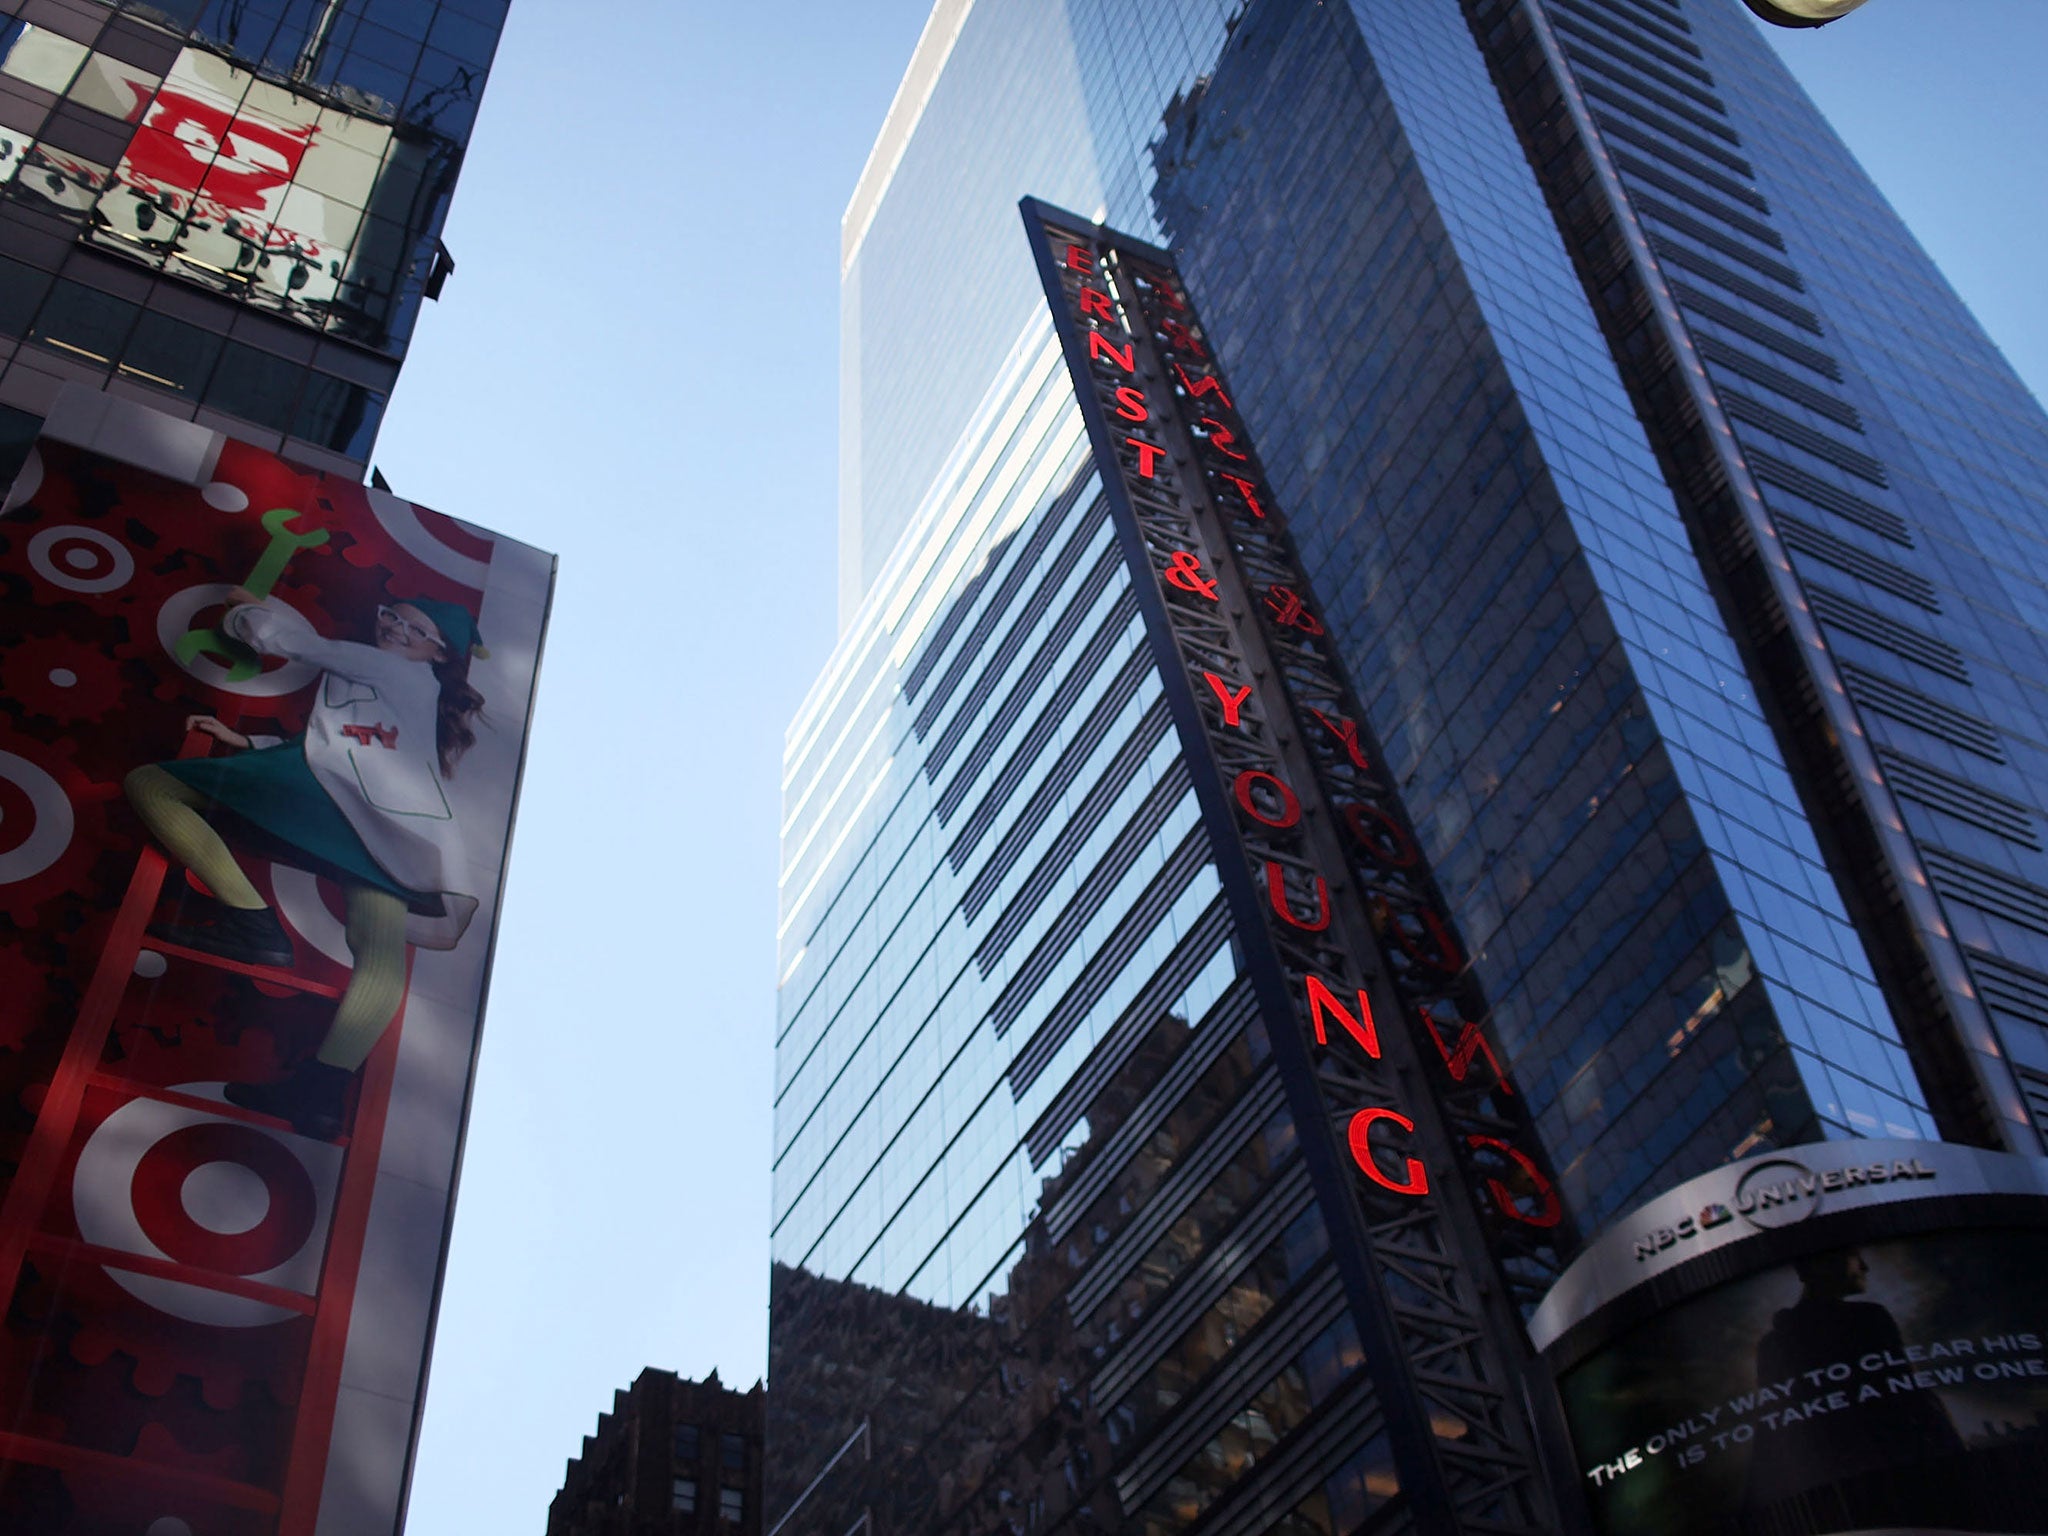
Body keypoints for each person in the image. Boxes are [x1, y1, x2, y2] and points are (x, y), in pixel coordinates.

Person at [124, 586, 486, 1138]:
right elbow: (341, 743)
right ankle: (321, 1092)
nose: (394, 629)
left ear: (437, 653)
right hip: (392, 826)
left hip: (336, 805)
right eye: (391, 616)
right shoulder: (401, 680)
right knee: (378, 947)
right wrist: (250, 746)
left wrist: (247, 608)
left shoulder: (389, 669)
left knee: (150, 784)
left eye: (414, 630)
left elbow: (291, 641)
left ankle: (251, 920)